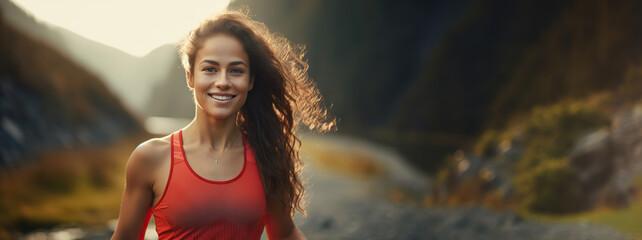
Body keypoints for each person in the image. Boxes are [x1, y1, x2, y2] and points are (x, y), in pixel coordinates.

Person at [110, 8, 335, 240]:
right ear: (190, 76)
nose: (223, 82)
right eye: (210, 69)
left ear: (251, 80)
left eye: (236, 71)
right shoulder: (150, 158)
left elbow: (285, 233)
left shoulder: (266, 156)